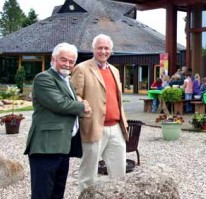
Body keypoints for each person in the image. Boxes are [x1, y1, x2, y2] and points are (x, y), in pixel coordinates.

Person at [24, 42, 91, 199]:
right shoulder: (43, 78)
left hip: (61, 147)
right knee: (42, 194)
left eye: (71, 61)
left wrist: (78, 104)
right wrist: (82, 106)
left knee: (57, 193)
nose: (67, 64)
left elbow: (66, 104)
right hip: (45, 147)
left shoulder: (66, 80)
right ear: (53, 59)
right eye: (64, 59)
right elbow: (59, 104)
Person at [71, 34, 129, 191]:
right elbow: (74, 94)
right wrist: (80, 102)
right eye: (100, 48)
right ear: (93, 49)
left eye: (106, 48)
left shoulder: (115, 70)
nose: (103, 51)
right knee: (88, 174)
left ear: (111, 50)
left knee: (119, 173)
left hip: (116, 128)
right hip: (94, 126)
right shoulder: (82, 68)